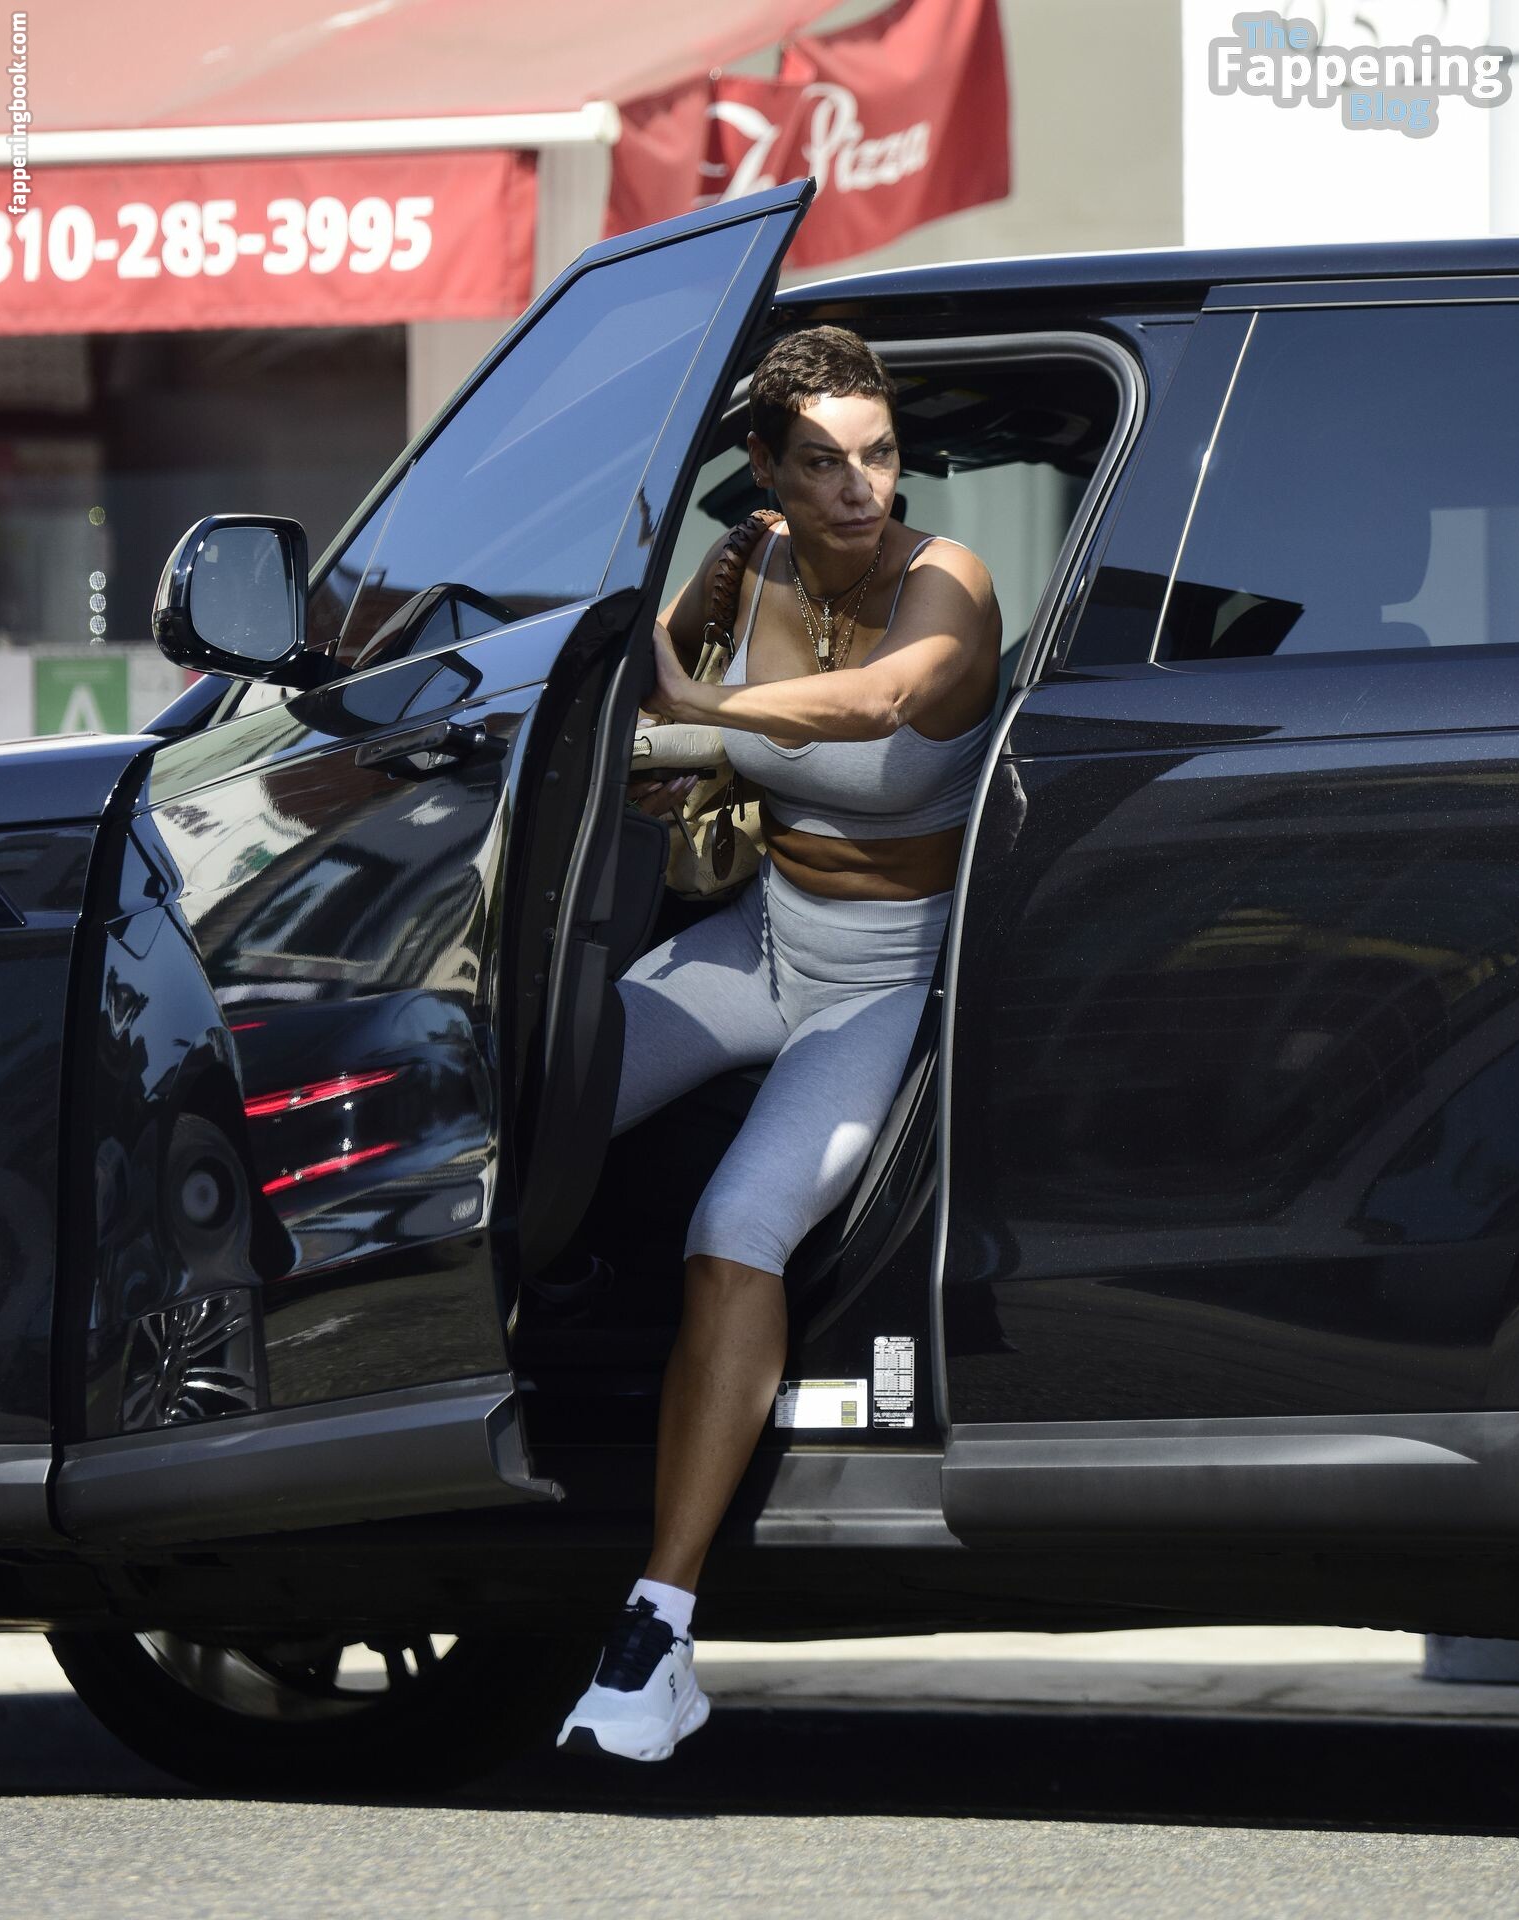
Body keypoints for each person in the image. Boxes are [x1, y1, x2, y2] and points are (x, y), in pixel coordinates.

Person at [556, 326, 1002, 1762]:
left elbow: (885, 700)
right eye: (823, 463)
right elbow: (637, 696)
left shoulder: (950, 580)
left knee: (735, 1225)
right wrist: (662, 684)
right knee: (530, 1105)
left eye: (880, 454)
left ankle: (659, 1631)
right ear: (766, 471)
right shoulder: (745, 566)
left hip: (888, 975)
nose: (861, 487)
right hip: (760, 936)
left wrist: (708, 707)